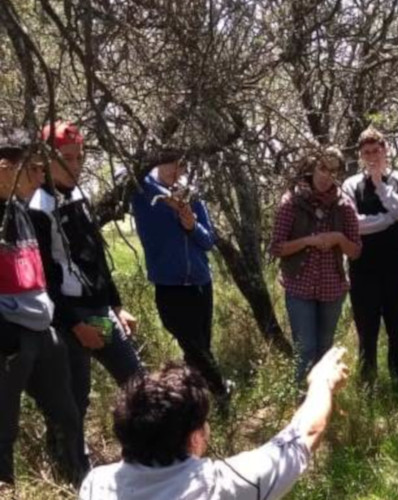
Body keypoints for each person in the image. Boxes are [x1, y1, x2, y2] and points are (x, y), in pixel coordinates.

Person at [79, 346, 349, 500]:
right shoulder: (221, 486)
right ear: (195, 438)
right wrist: (322, 381)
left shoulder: (96, 485)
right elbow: (307, 431)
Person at [28, 122, 143, 458]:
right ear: (46, 159)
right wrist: (75, 324)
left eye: (79, 157)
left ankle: (144, 456)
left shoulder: (79, 194)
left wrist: (117, 305)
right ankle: (72, 471)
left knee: (139, 385)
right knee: (72, 401)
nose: (75, 165)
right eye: (66, 158)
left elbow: (97, 257)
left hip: (100, 309)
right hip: (66, 318)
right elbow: (43, 278)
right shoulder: (37, 207)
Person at [0, 127, 86, 488]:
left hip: (42, 330)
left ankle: (79, 484)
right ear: (5, 167)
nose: (40, 178)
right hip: (8, 335)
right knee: (4, 428)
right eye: (33, 169)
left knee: (67, 415)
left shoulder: (20, 209)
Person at [130, 151, 230, 404]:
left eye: (181, 163)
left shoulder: (191, 195)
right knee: (191, 342)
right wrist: (163, 198)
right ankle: (221, 388)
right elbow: (123, 174)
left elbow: (207, 241)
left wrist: (191, 225)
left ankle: (196, 399)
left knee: (199, 347)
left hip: (199, 282)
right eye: (169, 161)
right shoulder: (144, 190)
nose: (175, 168)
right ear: (156, 162)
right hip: (168, 284)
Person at [269, 148, 361, 387]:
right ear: (312, 168)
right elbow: (276, 247)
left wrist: (339, 238)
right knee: (305, 349)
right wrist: (308, 241)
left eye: (333, 171)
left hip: (332, 289)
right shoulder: (292, 202)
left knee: (325, 348)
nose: (326, 176)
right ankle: (300, 406)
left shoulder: (345, 206)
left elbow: (355, 251)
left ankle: (322, 407)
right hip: (299, 287)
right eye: (322, 168)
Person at [342, 128, 398, 389]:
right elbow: (353, 225)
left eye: (376, 151)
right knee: (367, 330)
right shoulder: (350, 185)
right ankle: (367, 385)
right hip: (363, 268)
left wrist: (382, 188)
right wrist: (387, 218)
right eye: (366, 153)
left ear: (386, 149)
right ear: (360, 156)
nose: (372, 156)